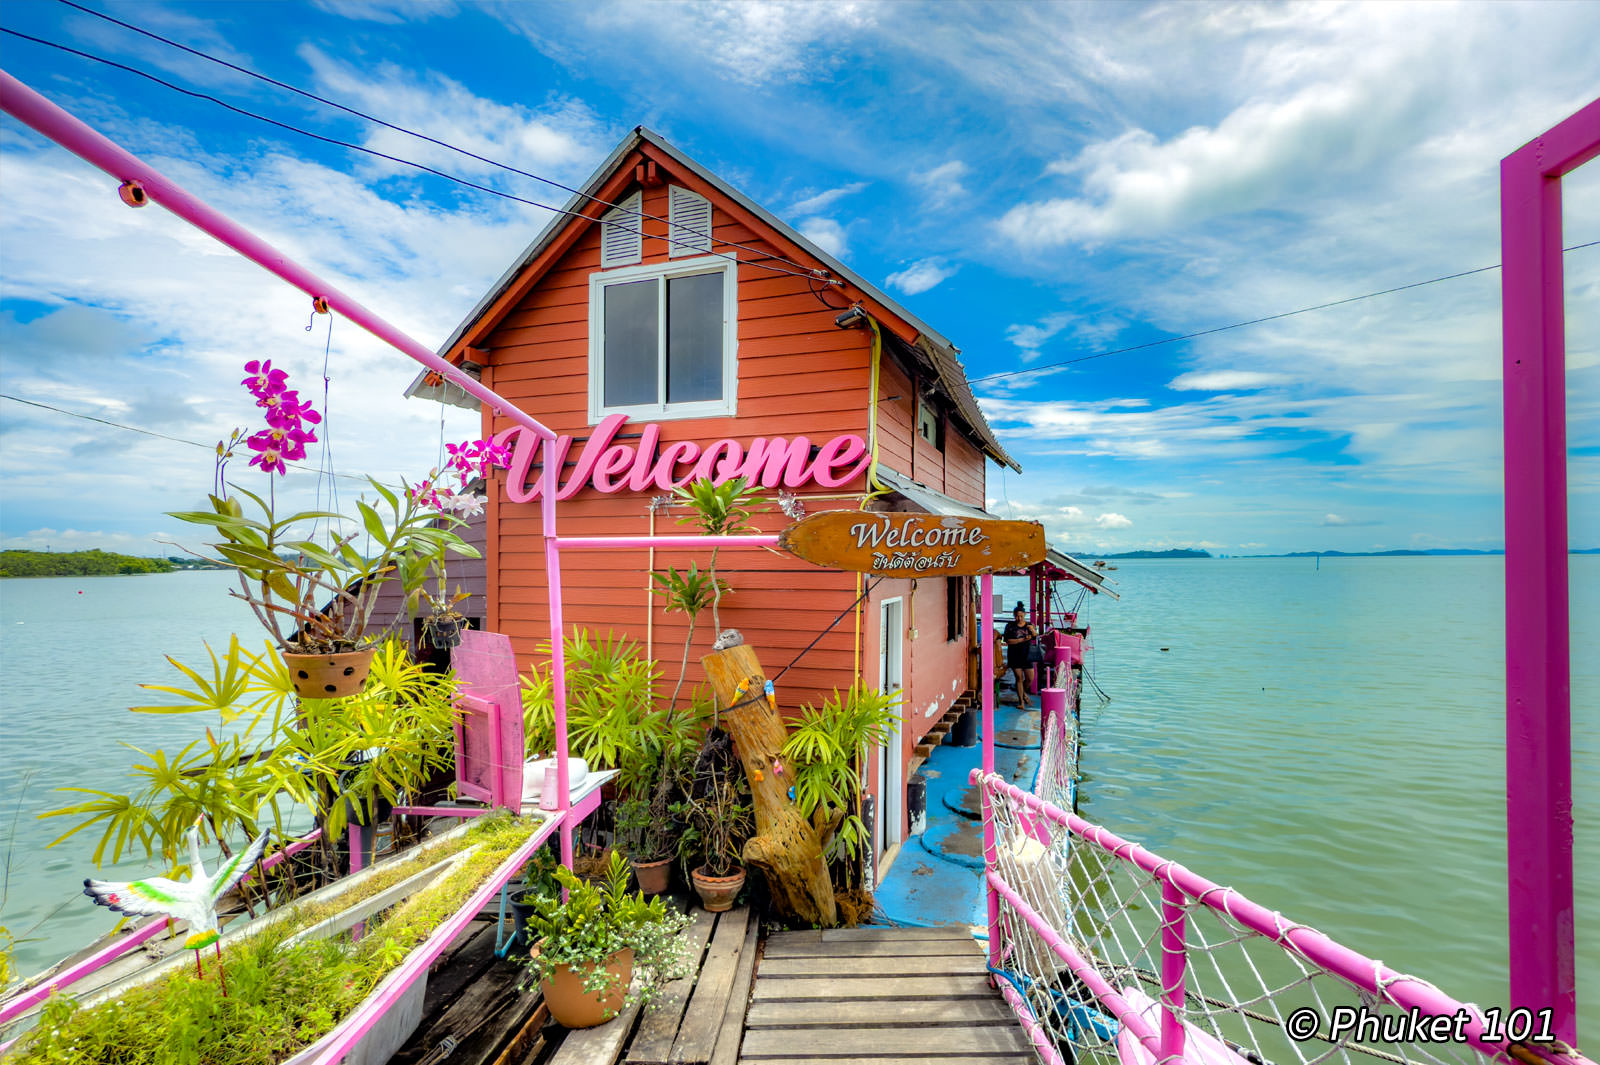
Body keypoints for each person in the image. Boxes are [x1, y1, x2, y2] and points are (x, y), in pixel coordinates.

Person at [1002, 602, 1039, 710]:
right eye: (1017, 616)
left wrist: (1033, 631)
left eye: (1021, 616)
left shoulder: (1029, 625)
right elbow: (1008, 641)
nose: (1019, 618)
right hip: (1014, 655)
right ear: (1014, 615)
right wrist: (1022, 639)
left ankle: (1023, 693)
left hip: (1027, 655)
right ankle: (1021, 701)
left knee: (1030, 679)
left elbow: (1035, 636)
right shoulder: (1010, 626)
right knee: (1019, 678)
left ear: (1024, 615)